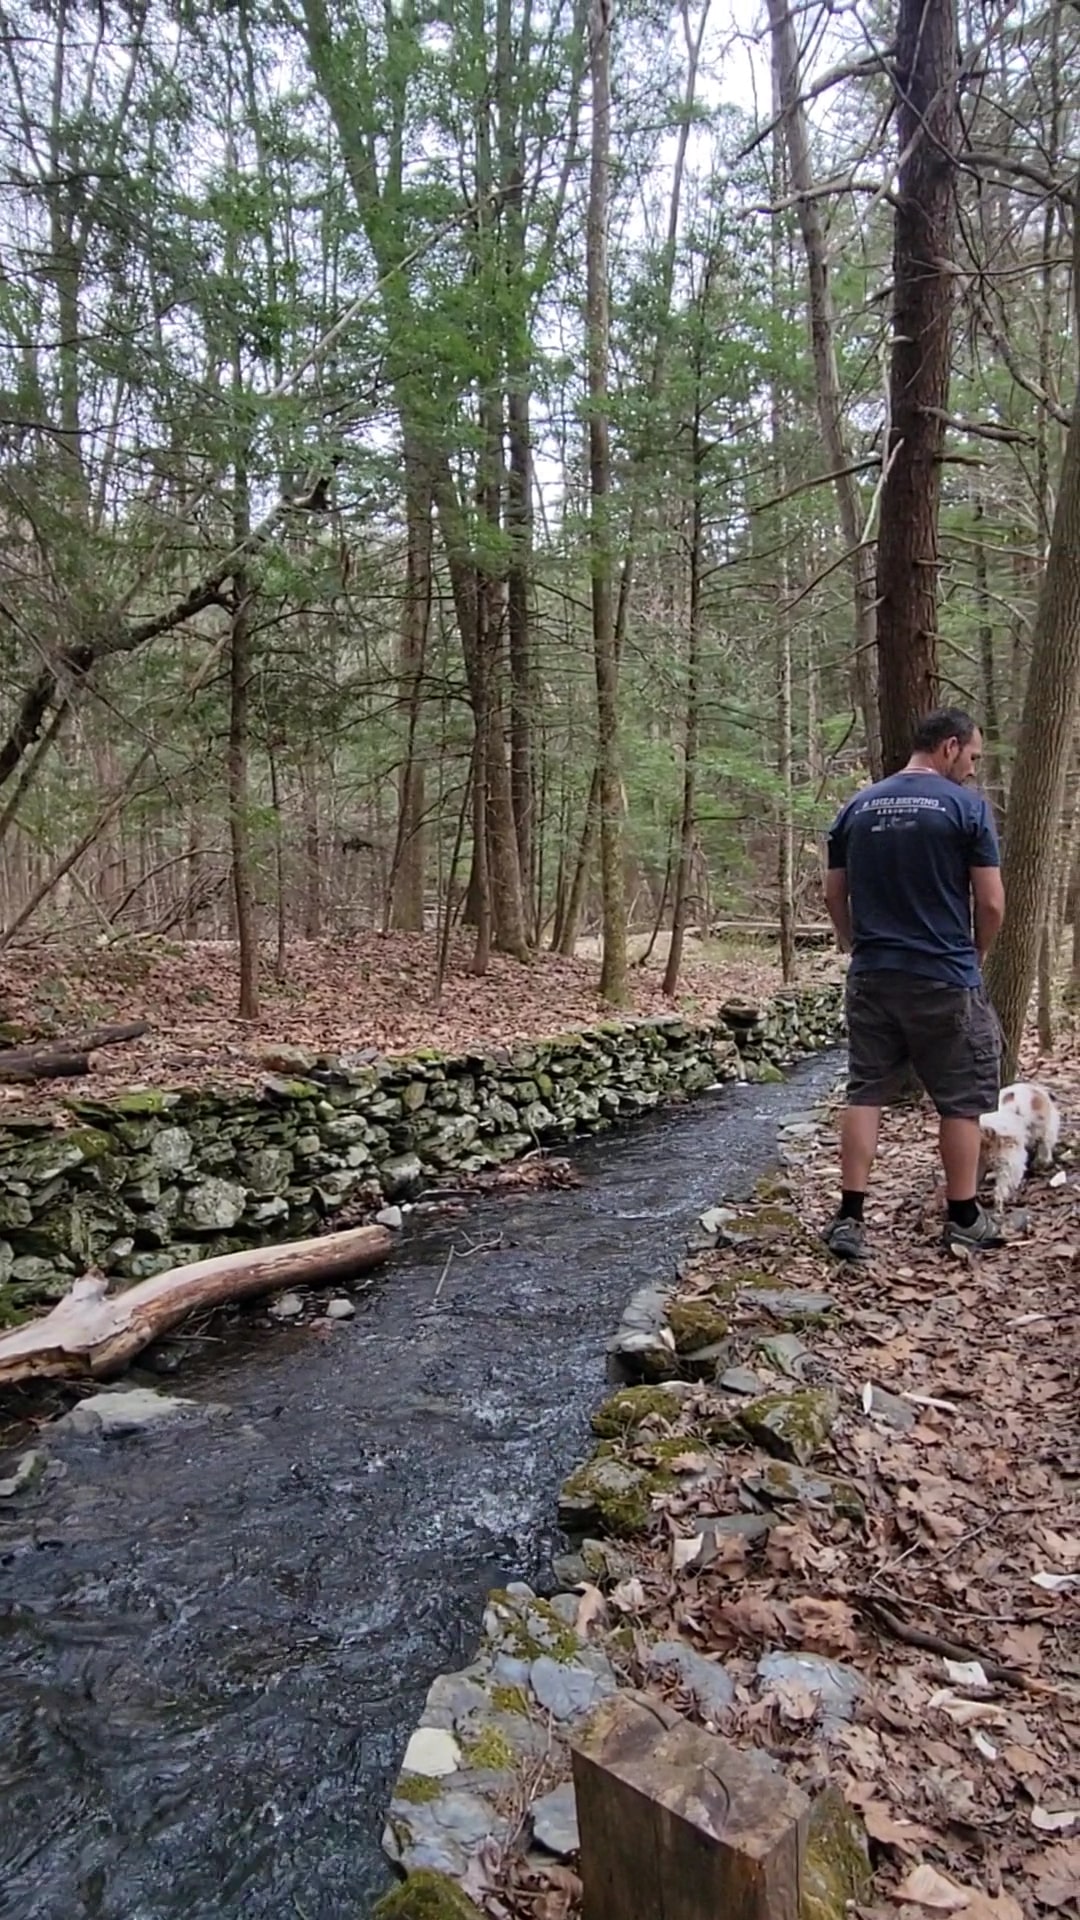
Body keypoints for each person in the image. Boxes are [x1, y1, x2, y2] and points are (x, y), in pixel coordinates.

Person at [822, 707, 1006, 1258]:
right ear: (949, 747)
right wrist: (973, 954)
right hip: (944, 974)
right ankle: (964, 1216)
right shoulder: (966, 809)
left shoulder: (855, 807)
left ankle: (850, 1217)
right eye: (972, 756)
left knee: (867, 1090)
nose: (973, 769)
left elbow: (834, 894)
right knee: (960, 1100)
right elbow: (992, 902)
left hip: (874, 974)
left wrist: (855, 944)